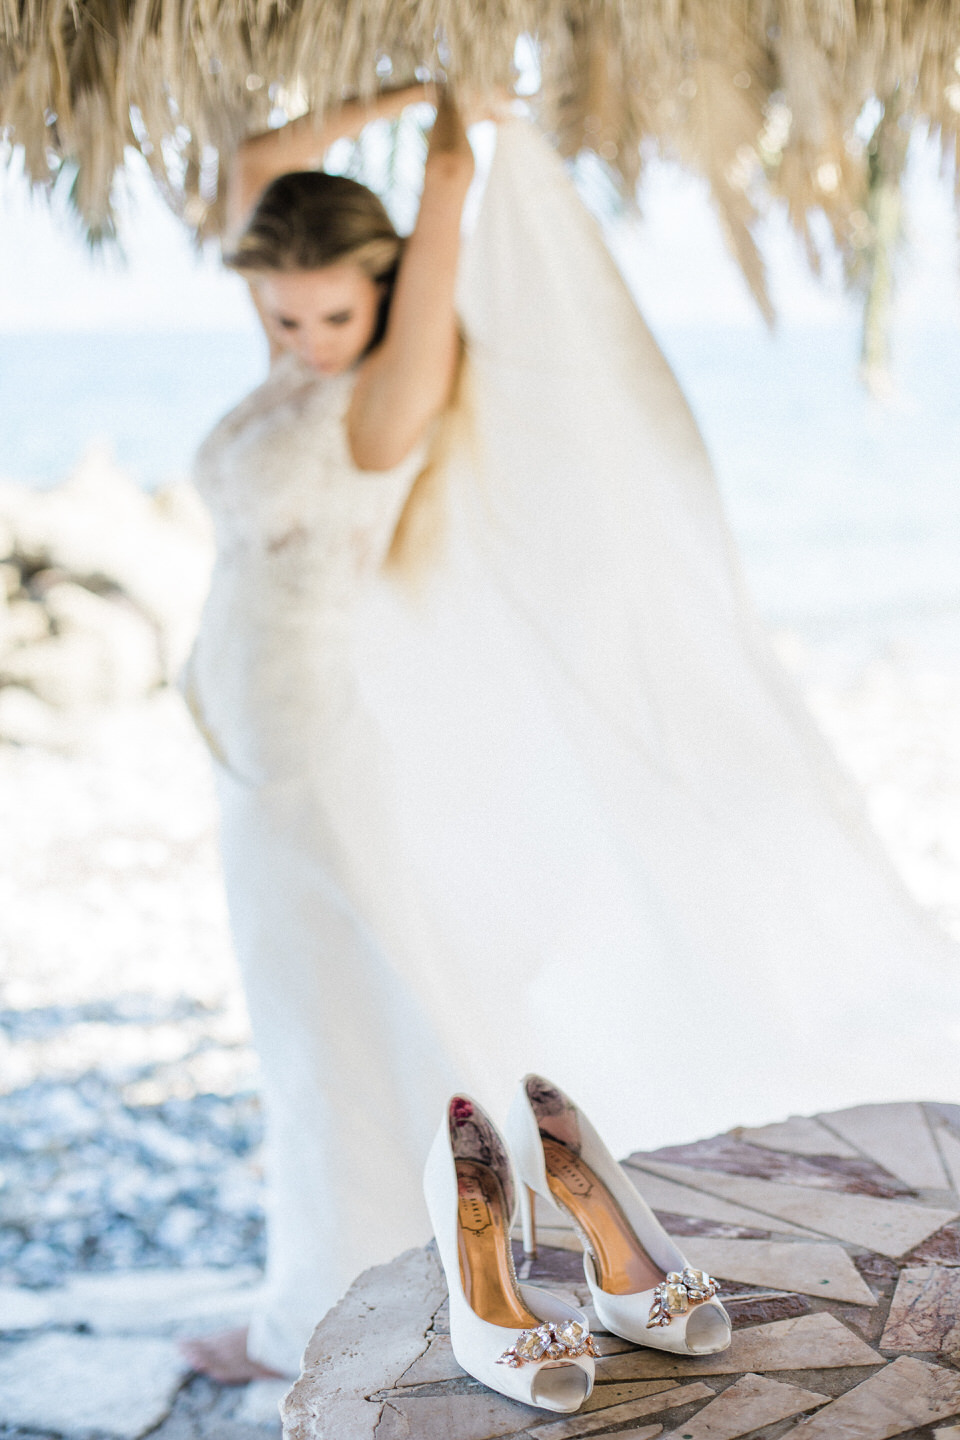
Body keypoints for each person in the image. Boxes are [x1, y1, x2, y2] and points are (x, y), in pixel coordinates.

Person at [180, 87, 960, 1382]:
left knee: (324, 1008)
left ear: (381, 290)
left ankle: (314, 1310)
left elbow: (421, 244)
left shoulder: (388, 389)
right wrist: (389, 93)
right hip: (251, 733)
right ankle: (388, 1261)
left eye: (334, 310)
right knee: (316, 1005)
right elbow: (259, 163)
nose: (308, 337)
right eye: (284, 313)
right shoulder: (295, 353)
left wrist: (446, 142)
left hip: (308, 739)